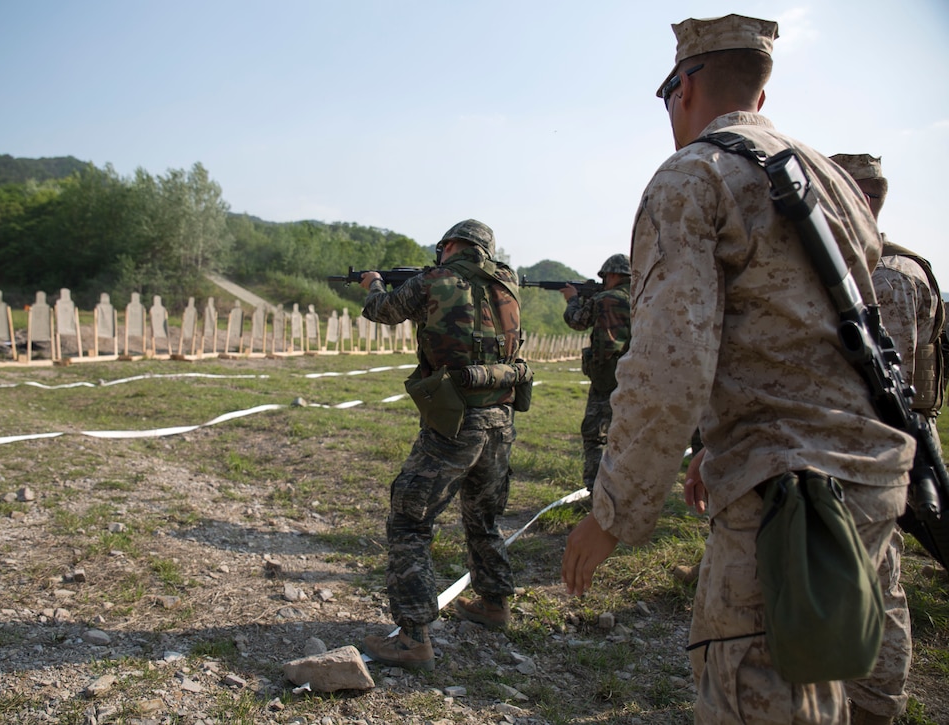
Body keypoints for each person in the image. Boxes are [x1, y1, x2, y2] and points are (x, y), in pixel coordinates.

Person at [560, 14, 914, 724]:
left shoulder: (692, 177)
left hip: (786, 504)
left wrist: (614, 511)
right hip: (871, 480)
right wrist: (719, 448)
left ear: (684, 86)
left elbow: (669, 363)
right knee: (846, 694)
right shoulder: (826, 178)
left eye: (666, 95)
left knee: (759, 698)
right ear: (761, 93)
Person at [359, 219, 525, 671]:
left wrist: (373, 283)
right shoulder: (508, 283)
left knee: (410, 520)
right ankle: (494, 604)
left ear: (450, 245)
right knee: (483, 517)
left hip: (454, 423)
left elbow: (383, 311)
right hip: (500, 421)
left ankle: (413, 638)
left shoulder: (433, 280)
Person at [831, 152, 946, 724]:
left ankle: (874, 707)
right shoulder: (864, 264)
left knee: (876, 575)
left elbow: (883, 388)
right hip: (862, 445)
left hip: (877, 447)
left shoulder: (887, 276)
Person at [561, 254, 631, 493]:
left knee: (595, 434)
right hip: (638, 377)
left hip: (606, 376)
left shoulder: (605, 298)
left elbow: (577, 321)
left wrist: (572, 300)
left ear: (612, 275)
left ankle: (595, 490)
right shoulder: (644, 298)